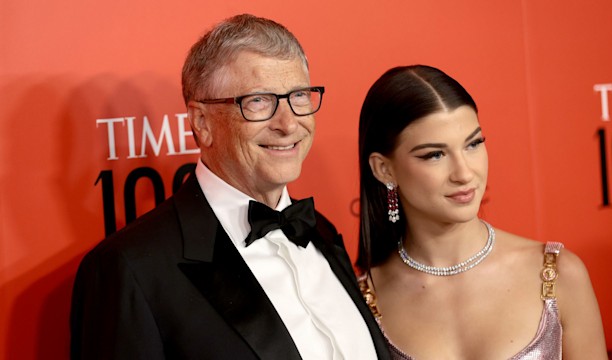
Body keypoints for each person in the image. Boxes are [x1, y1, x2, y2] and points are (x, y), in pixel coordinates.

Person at [70, 14, 390, 359]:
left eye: (298, 96)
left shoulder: (321, 231)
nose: (288, 123)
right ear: (202, 122)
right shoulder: (129, 269)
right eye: (258, 101)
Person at [356, 65, 607, 359]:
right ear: (384, 169)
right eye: (435, 155)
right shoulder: (363, 300)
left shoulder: (556, 274)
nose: (464, 173)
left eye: (473, 144)